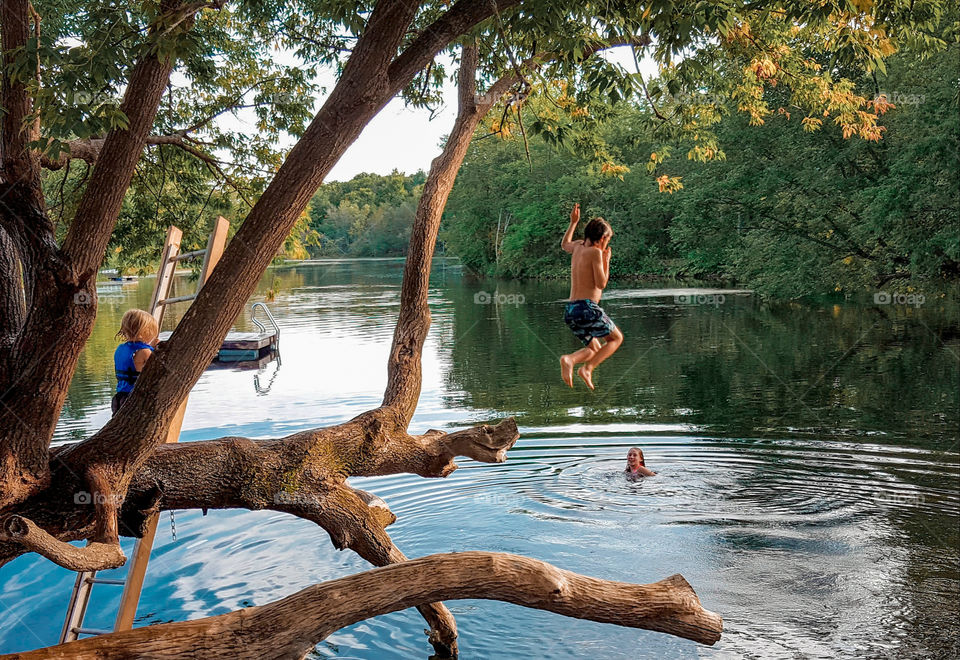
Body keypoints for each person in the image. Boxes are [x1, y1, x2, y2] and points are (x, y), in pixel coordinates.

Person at [559, 203, 623, 389]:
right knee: (616, 339)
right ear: (602, 238)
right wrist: (606, 260)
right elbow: (601, 283)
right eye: (607, 241)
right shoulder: (595, 253)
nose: (606, 245)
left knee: (594, 348)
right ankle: (587, 369)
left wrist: (573, 222)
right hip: (587, 308)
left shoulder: (578, 247)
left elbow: (564, 245)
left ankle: (570, 360)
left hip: (571, 310)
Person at [113, 309, 158, 415]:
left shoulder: (120, 349)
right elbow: (159, 367)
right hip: (135, 397)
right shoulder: (145, 352)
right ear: (145, 332)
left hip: (119, 398)